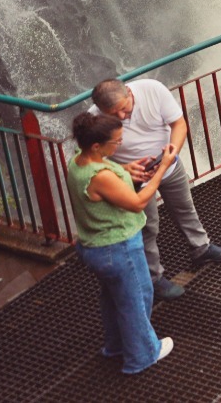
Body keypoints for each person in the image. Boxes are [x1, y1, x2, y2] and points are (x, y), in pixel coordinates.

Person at [90, 78, 221, 301]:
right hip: (134, 177)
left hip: (169, 164)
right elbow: (90, 159)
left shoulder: (153, 89)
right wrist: (123, 169)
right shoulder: (94, 117)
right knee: (148, 226)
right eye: (113, 113)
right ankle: (154, 277)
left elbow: (179, 124)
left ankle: (201, 248)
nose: (120, 117)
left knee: (185, 209)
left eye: (123, 109)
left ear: (129, 93)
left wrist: (171, 153)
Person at [66, 110, 176, 374]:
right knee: (136, 299)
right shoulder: (100, 176)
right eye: (116, 142)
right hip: (118, 248)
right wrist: (162, 168)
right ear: (96, 145)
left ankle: (115, 345)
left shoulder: (78, 161)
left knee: (114, 298)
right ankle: (142, 355)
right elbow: (138, 203)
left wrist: (127, 170)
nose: (120, 145)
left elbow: (105, 176)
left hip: (95, 247)